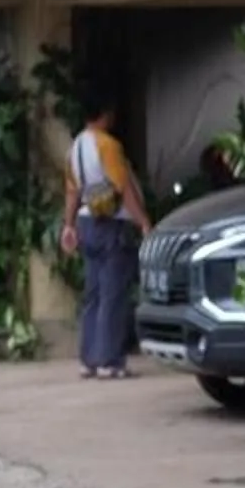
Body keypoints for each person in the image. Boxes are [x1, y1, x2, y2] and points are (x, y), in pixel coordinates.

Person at [60, 100, 150, 379]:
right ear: (105, 115)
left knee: (93, 294)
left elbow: (72, 192)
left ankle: (88, 359)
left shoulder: (75, 149)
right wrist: (143, 221)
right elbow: (124, 189)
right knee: (113, 294)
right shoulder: (108, 145)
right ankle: (109, 361)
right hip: (112, 224)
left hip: (86, 222)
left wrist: (68, 225)